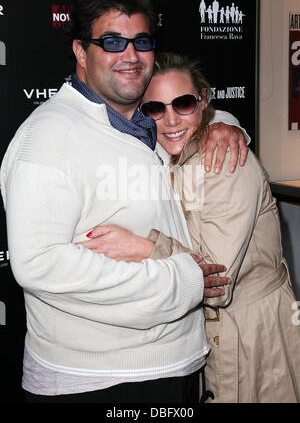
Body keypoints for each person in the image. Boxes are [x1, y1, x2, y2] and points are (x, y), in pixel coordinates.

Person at [0, 0, 249, 403]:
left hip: (179, 366)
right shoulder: (47, 138)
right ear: (81, 51)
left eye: (141, 41)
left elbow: (184, 119)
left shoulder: (146, 121)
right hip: (98, 381)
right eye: (112, 42)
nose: (131, 56)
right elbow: (39, 264)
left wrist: (224, 122)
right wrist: (180, 281)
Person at [82, 52, 300, 403]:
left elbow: (217, 285)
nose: (169, 120)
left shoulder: (226, 162)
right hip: (198, 335)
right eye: (155, 108)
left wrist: (144, 248)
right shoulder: (157, 151)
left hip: (248, 338)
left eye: (183, 103)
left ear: (203, 101)